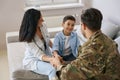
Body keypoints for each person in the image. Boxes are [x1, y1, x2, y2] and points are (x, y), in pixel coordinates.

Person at [52, 8, 120, 80]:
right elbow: (83, 63)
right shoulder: (107, 40)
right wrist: (65, 63)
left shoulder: (92, 49)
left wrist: (58, 65)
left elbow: (66, 75)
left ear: (83, 26)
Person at [19, 9, 58, 80]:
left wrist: (55, 53)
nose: (43, 20)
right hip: (34, 60)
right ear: (33, 22)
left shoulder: (43, 25)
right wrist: (52, 59)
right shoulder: (27, 38)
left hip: (46, 55)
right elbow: (39, 55)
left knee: (58, 64)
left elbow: (48, 41)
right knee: (52, 69)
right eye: (40, 19)